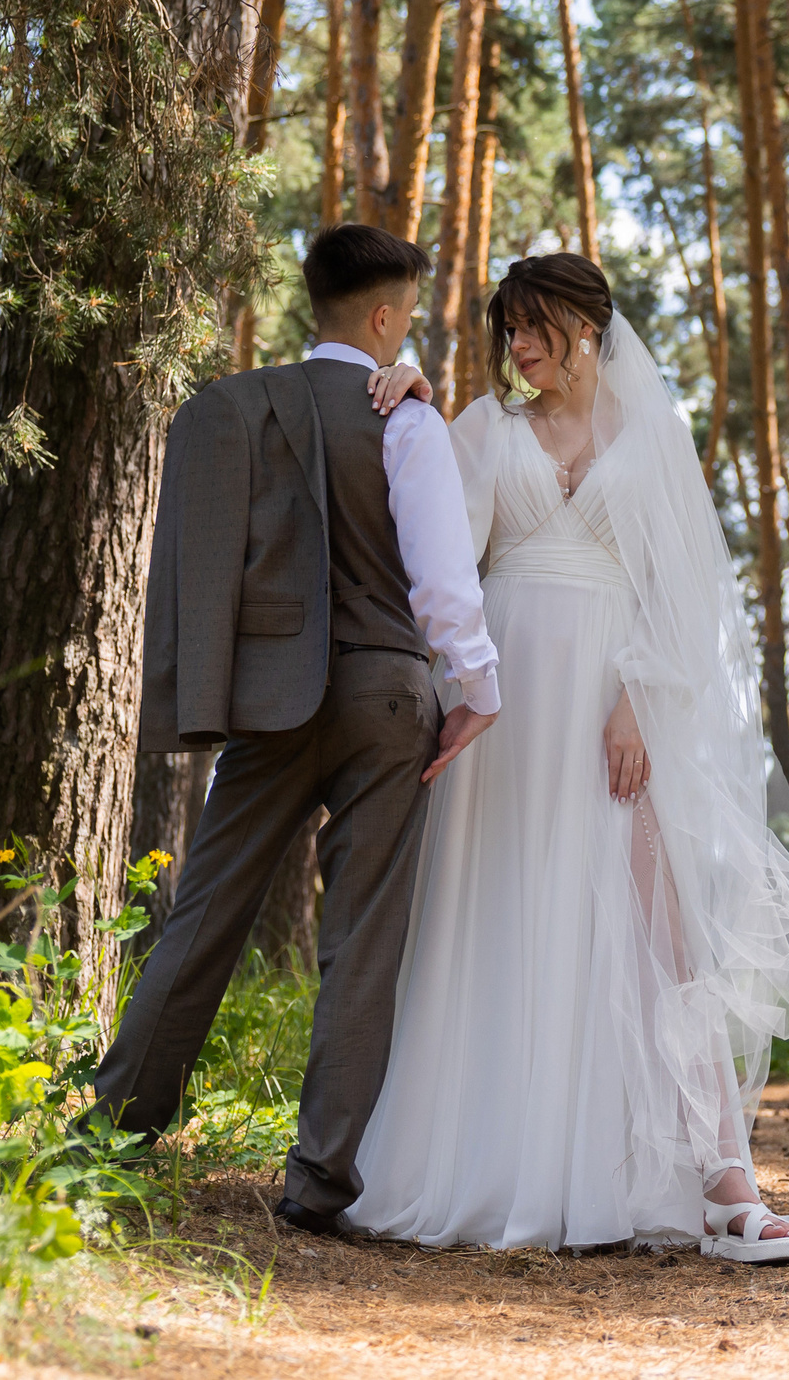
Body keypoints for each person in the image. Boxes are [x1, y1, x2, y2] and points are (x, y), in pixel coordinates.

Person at [344, 252, 789, 1260]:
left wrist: (633, 701)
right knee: (503, 911)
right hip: (508, 700)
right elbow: (440, 540)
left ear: (587, 324)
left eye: (534, 325)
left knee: (654, 927)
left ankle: (721, 1178)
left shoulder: (653, 434)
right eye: (509, 331)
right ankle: (507, 1159)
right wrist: (410, 406)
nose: (519, 346)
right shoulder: (487, 428)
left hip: (621, 699)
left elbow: (685, 588)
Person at [90, 224, 499, 1237]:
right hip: (389, 699)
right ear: (382, 316)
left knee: (204, 917)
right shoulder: (406, 422)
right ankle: (317, 1183)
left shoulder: (240, 409)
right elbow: (443, 581)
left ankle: (106, 1136)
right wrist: (478, 683)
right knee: (361, 943)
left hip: (270, 699)